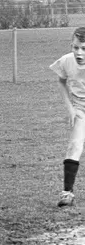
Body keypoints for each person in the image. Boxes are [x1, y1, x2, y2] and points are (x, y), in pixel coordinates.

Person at [50, 27, 85, 207]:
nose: (79, 52)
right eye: (75, 47)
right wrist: (71, 109)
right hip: (80, 109)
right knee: (75, 145)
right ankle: (67, 193)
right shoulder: (66, 61)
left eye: (84, 48)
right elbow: (61, 81)